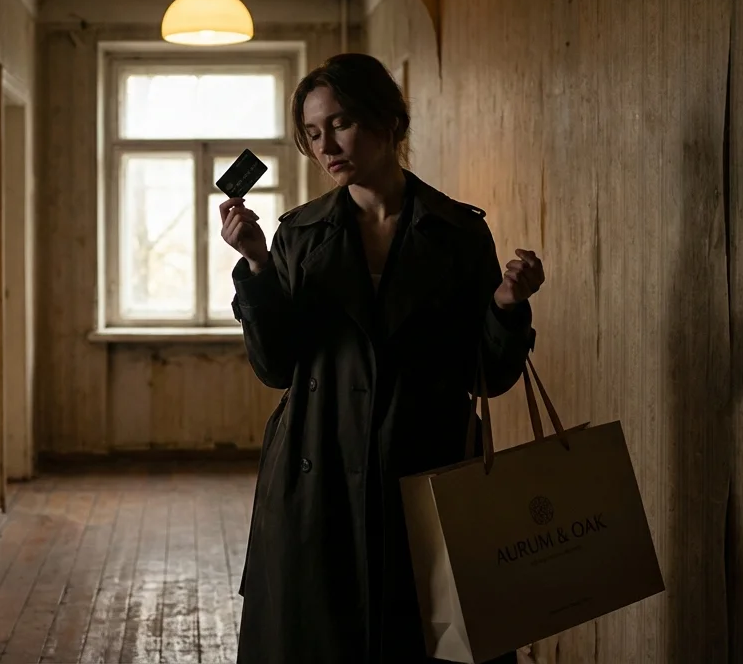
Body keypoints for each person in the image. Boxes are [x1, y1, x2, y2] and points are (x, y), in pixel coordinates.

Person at [218, 53, 546, 664]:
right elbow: (276, 368)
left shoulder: (457, 232)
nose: (326, 146)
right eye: (313, 134)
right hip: (317, 475)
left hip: (429, 467)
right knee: (320, 641)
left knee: (430, 637)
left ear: (390, 122)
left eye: (340, 124)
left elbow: (491, 375)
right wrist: (258, 265)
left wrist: (505, 303)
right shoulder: (298, 235)